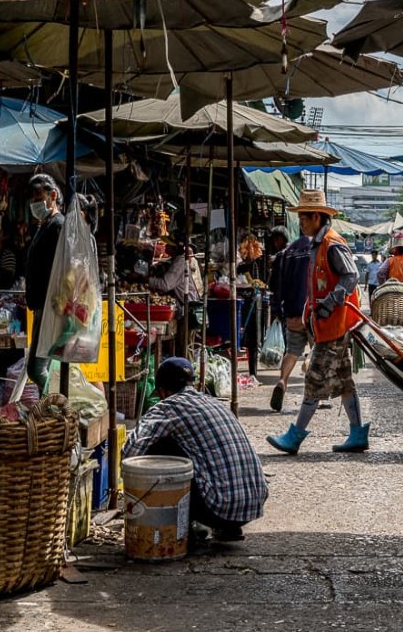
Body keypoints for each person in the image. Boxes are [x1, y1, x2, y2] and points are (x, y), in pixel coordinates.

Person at [123, 357, 268, 542]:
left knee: (159, 446)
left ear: (162, 391)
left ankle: (182, 528)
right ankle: (228, 528)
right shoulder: (214, 402)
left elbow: (130, 453)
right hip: (253, 504)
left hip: (219, 508)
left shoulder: (167, 407)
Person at [267, 190, 367, 455]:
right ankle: (358, 433)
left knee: (314, 378)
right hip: (325, 324)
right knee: (344, 380)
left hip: (335, 324)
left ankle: (295, 436)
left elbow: (351, 275)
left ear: (316, 217)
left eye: (303, 218)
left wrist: (331, 302)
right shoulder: (316, 245)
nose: (300, 223)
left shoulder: (332, 244)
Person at [25, 174, 65, 390]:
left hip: (51, 307)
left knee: (36, 368)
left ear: (53, 195)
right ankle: (51, 408)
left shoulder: (57, 225)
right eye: (32, 198)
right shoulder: (45, 225)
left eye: (38, 197)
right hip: (43, 306)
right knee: (45, 366)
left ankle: (58, 402)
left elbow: (61, 268)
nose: (34, 202)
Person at [268, 229, 312, 412]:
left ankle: (282, 381)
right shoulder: (316, 249)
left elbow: (274, 286)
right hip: (313, 310)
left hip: (292, 311)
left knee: (292, 351)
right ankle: (316, 393)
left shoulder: (284, 255)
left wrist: (277, 309)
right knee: (317, 350)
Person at [149, 231, 204, 355]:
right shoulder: (175, 260)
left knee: (184, 349)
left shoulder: (180, 263)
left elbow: (165, 284)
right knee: (181, 347)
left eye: (168, 245)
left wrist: (145, 281)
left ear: (175, 248)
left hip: (187, 310)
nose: (166, 247)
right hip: (183, 309)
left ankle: (187, 373)